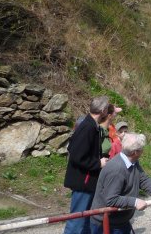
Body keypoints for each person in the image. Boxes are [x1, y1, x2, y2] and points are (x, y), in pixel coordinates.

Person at [90, 132, 151, 234]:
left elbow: (143, 180)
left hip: (120, 220)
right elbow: (111, 199)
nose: (143, 151)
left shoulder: (132, 161)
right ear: (136, 152)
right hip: (106, 224)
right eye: (142, 149)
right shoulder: (116, 169)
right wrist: (135, 202)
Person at [63, 96, 111, 234]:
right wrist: (98, 163)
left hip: (88, 181)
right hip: (82, 182)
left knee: (86, 220)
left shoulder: (91, 125)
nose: (108, 112)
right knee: (77, 221)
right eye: (107, 109)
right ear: (102, 110)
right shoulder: (87, 127)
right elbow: (76, 154)